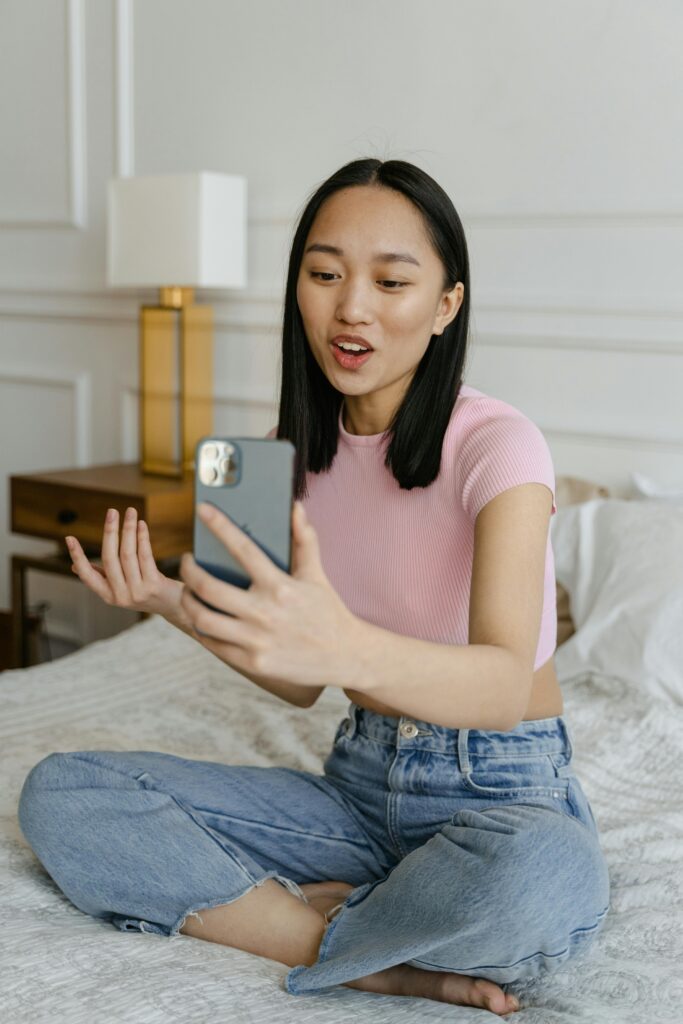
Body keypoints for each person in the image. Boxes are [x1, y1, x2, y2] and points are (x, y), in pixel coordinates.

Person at [17, 158, 610, 1015]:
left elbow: (499, 687)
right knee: (64, 793)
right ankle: (359, 948)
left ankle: (334, 920)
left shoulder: (499, 445)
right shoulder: (288, 452)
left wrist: (345, 646)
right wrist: (167, 602)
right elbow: (298, 683)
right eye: (324, 274)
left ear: (445, 305)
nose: (351, 307)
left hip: (499, 789)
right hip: (358, 788)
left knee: (539, 879)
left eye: (390, 282)